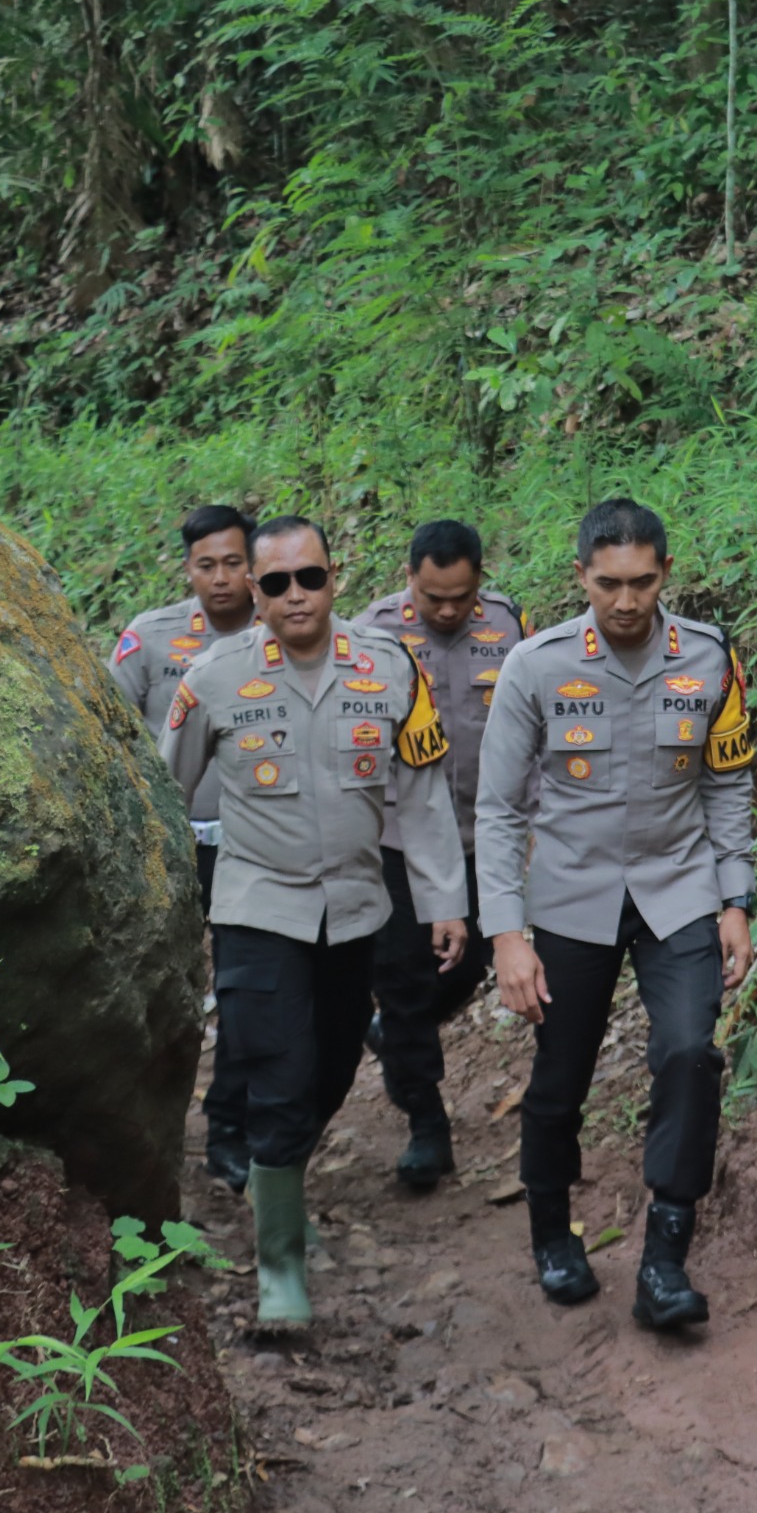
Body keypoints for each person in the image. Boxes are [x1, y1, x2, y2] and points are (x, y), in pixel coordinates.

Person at [163, 516, 469, 1329]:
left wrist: (444, 901)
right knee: (276, 1072)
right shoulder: (215, 678)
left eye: (310, 578)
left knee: (330, 1068)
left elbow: (426, 794)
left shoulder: (389, 668)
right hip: (257, 905)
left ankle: (283, 1181)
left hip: (356, 909)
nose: (294, 596)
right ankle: (281, 1274)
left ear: (336, 578)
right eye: (275, 583)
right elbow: (165, 794)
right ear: (256, 594)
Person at [473, 497, 757, 1333]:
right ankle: (553, 1232)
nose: (625, 602)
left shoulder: (708, 658)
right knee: (561, 1078)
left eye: (641, 583)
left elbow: (727, 781)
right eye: (608, 585)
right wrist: (507, 935)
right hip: (570, 893)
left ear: (666, 573)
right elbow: (497, 810)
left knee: (688, 1053)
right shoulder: (535, 665)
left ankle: (666, 1258)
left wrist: (735, 898)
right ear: (580, 578)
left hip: (679, 890)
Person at [351, 519, 530, 1192]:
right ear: (409, 579)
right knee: (401, 974)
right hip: (396, 837)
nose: (447, 610)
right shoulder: (371, 634)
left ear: (479, 580)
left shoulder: (510, 628)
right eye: (433, 599)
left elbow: (533, 723)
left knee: (469, 968)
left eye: (459, 597)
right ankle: (427, 1124)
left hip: (483, 834)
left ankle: (395, 1034)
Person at [109, 503, 258, 1190]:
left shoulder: (279, 633)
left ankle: (230, 1129)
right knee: (159, 985)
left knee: (242, 988)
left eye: (234, 563)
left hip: (254, 848)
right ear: (187, 568)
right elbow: (104, 729)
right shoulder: (152, 638)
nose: (222, 578)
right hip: (167, 844)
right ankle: (142, 1127)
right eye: (208, 565)